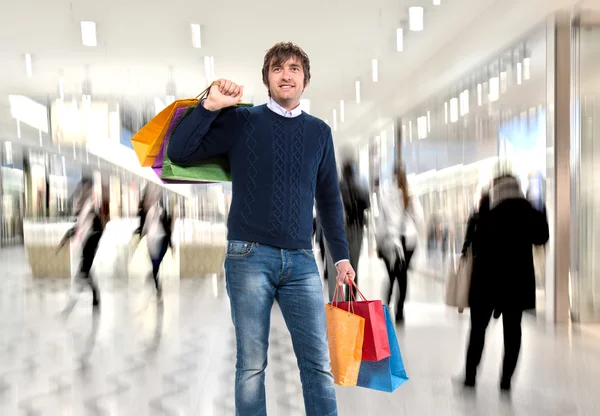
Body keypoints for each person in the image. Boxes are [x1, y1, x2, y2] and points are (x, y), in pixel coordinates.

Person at [168, 42, 353, 416]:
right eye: (278, 68)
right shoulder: (243, 121)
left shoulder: (320, 132)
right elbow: (180, 152)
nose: (286, 74)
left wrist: (342, 258)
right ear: (267, 78)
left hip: (302, 261)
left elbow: (330, 200)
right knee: (252, 366)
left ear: (305, 80)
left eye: (295, 68)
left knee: (317, 363)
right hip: (248, 256)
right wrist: (209, 106)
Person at [463, 173, 549, 392]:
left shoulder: (488, 211)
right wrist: (541, 209)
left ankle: (470, 376)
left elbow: (477, 244)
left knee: (478, 330)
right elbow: (542, 236)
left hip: (487, 282)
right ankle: (506, 381)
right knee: (513, 332)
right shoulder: (528, 211)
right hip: (516, 284)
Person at [377, 168, 424, 322]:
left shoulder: (386, 195)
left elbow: (382, 223)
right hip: (409, 240)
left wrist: (379, 243)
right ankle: (399, 311)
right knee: (402, 277)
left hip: (391, 241)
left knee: (391, 276)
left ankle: (385, 309)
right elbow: (419, 219)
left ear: (393, 176)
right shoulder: (409, 196)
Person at [134, 184, 174, 301]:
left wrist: (171, 243)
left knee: (156, 262)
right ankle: (156, 282)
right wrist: (139, 236)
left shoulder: (162, 210)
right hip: (151, 240)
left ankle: (154, 279)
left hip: (162, 239)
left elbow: (167, 227)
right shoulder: (146, 211)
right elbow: (143, 226)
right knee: (154, 263)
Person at [338, 160, 370, 301]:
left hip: (341, 230)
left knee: (340, 266)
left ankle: (341, 303)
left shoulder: (338, 186)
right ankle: (351, 300)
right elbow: (366, 204)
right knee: (353, 266)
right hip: (357, 229)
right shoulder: (360, 187)